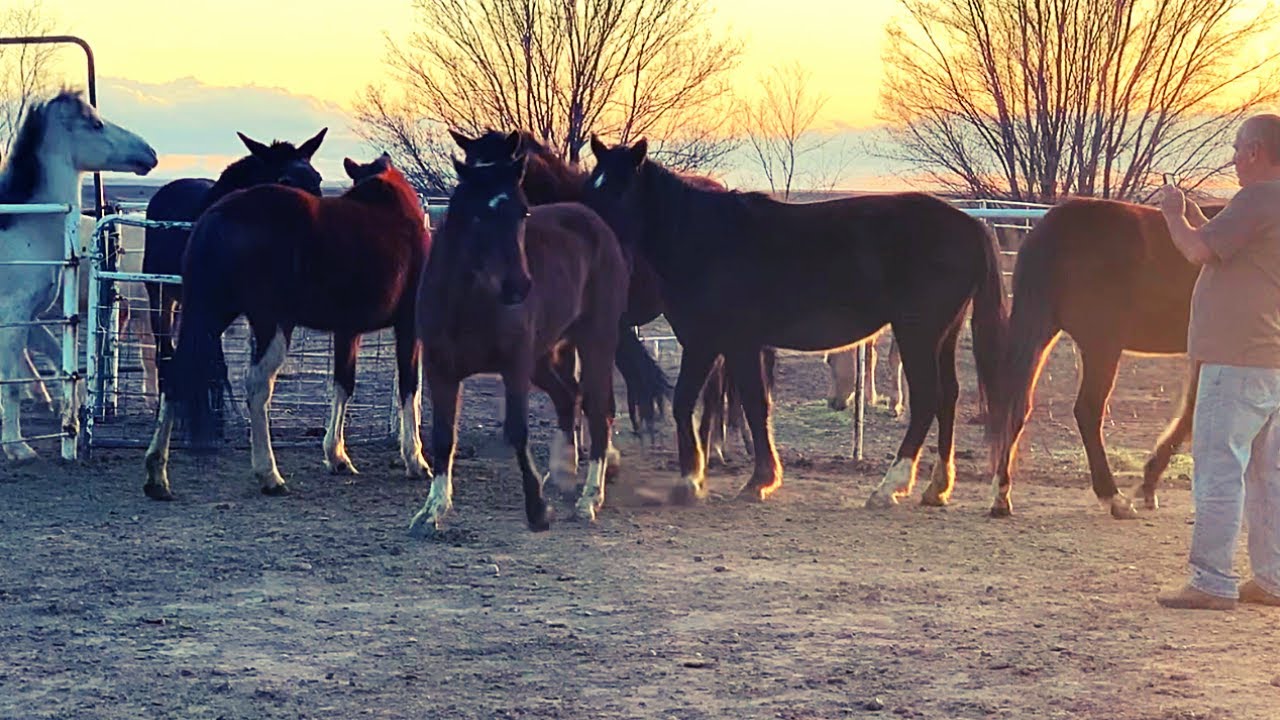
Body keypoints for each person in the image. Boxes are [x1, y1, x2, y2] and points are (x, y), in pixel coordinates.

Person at [1155, 113, 1280, 610]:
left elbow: (1197, 251)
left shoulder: (1257, 198)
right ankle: (1272, 578)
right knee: (1268, 475)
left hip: (1236, 357)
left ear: (1254, 151)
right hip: (1272, 357)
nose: (1232, 158)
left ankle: (1211, 580)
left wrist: (1172, 214)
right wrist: (1197, 219)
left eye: (1236, 148)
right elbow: (1231, 248)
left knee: (1219, 466)